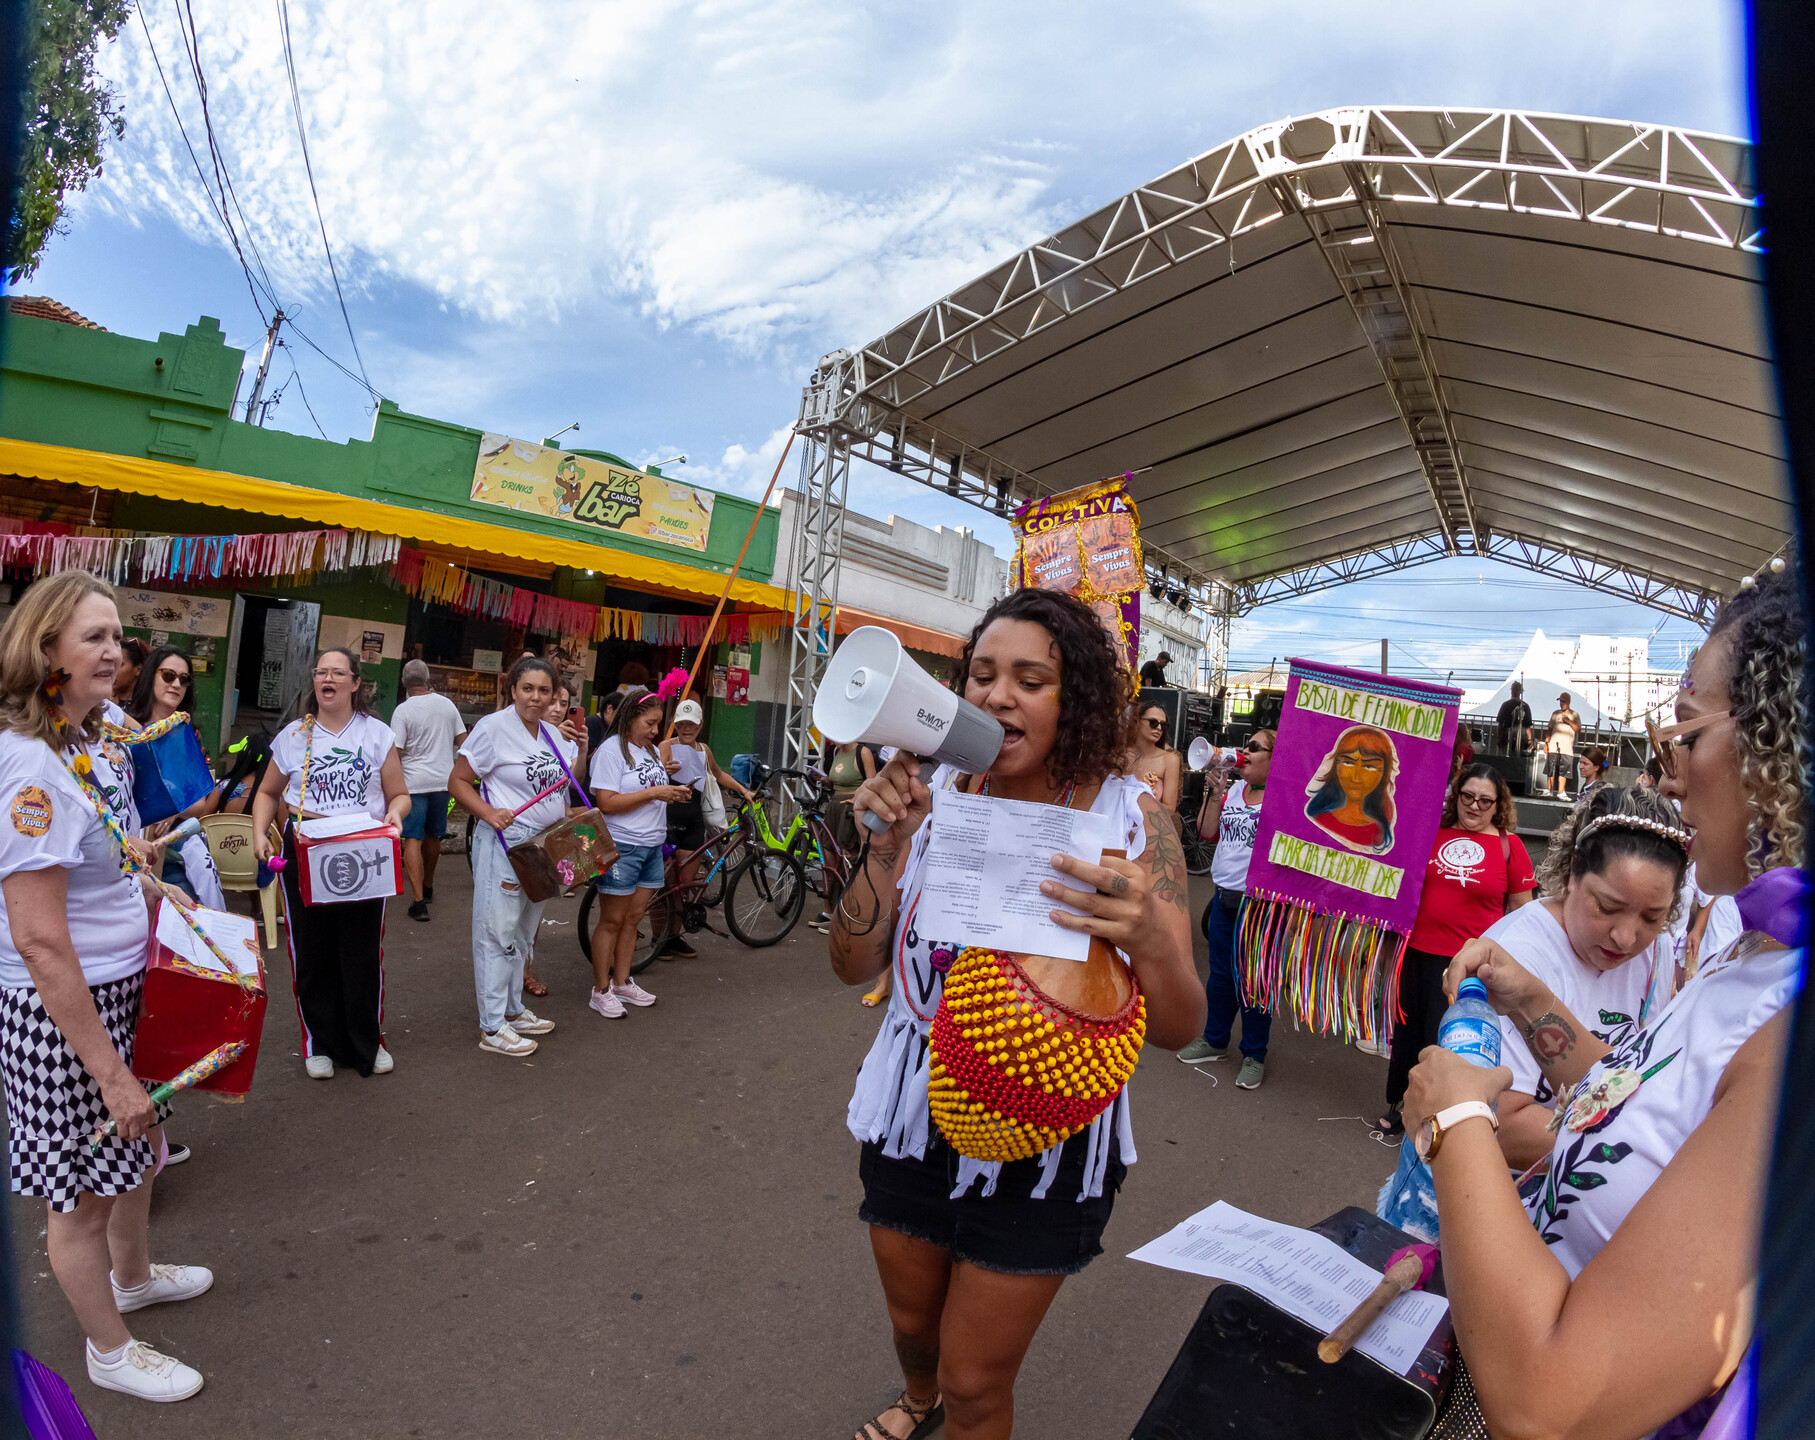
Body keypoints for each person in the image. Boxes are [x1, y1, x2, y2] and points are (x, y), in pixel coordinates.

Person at [1402, 564, 1806, 1439]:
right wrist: (1523, 997)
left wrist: (1455, 1124)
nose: (1666, 778)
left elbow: (1550, 1402)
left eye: (1684, 734)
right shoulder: (1760, 953)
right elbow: (1636, 1107)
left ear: (1777, 749)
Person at [831, 586, 1199, 1440]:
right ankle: (914, 1397)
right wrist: (883, 848)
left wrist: (1146, 935)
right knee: (916, 1330)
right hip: (911, 1110)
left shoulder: (1132, 819)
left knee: (975, 1379)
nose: (998, 695)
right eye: (983, 674)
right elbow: (852, 965)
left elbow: (1181, 1025)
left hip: (1045, 1132)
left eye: (1030, 679)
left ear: (1078, 702)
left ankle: (945, 1403)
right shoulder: (931, 797)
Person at [0, 572, 211, 1400]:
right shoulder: (30, 769)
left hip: (124, 988)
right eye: (93, 636)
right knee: (81, 1196)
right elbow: (42, 942)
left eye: (116, 636)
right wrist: (113, 1073)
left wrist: (150, 883)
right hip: (63, 1020)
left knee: (141, 1151)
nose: (114, 651)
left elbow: (105, 859)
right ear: (43, 649)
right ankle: (109, 1351)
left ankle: (134, 1277)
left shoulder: (80, 740)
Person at [1469, 785, 1687, 1170]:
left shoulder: (1656, 951)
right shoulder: (1516, 956)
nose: (1626, 937)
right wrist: (1640, 1145)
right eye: (1607, 906)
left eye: (1653, 917)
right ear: (1573, 873)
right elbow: (1501, 1125)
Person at [252, 648, 409, 1080]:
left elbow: (399, 793)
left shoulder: (376, 734)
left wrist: (395, 814)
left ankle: (367, 1041)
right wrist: (258, 833)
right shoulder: (293, 737)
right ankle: (318, 1043)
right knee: (312, 948)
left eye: (338, 672)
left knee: (361, 951)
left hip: (364, 852)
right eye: (322, 671)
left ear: (355, 684)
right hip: (306, 849)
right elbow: (267, 792)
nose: (329, 678)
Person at [1377, 762, 1534, 1136]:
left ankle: (1443, 1116)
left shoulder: (1509, 847)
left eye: (1485, 800)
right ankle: (1402, 1103)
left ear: (1499, 805)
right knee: (1409, 1034)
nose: (1475, 806)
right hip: (1416, 953)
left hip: (1468, 968)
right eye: (1468, 796)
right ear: (1456, 796)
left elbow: (1525, 914)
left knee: (1447, 1040)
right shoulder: (1432, 834)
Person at [446, 657, 576, 1057]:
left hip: (544, 845)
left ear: (555, 695)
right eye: (527, 689)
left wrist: (580, 749)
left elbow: (566, 785)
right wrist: (487, 813)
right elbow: (458, 781)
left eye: (544, 690)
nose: (536, 698)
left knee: (522, 932)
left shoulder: (551, 733)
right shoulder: (492, 728)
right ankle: (492, 1026)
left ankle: (514, 1009)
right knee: (495, 933)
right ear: (512, 689)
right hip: (507, 843)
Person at [1178, 732, 1274, 1088]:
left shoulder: (1282, 798)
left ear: (1273, 759)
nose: (1245, 752)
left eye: (1254, 748)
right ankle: (1215, 1040)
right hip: (1224, 898)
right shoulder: (1234, 792)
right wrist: (1215, 792)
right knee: (1220, 976)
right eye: (1245, 746)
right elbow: (1206, 831)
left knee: (1254, 981)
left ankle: (1254, 1054)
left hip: (1260, 906)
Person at [587, 687, 691, 1018]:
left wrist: (666, 782)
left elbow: (645, 788)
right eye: (650, 723)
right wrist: (655, 791)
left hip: (651, 845)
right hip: (623, 846)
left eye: (658, 724)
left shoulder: (646, 750)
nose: (655, 731)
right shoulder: (610, 752)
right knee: (612, 919)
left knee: (634, 918)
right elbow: (606, 803)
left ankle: (622, 982)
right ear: (630, 718)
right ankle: (600, 990)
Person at [123, 646, 226, 911]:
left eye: (184, 679)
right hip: (124, 840)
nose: (177, 684)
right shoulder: (123, 727)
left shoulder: (186, 735)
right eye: (169, 675)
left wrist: (171, 809)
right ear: (150, 676)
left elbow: (199, 803)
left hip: (170, 845)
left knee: (187, 910)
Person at [656, 698, 751, 959]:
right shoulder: (666, 746)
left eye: (693, 725)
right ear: (675, 724)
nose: (687, 729)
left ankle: (673, 938)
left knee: (684, 886)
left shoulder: (704, 750)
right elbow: (650, 776)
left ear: (700, 726)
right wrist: (664, 770)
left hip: (694, 820)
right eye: (682, 724)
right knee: (664, 883)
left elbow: (719, 775)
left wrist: (744, 790)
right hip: (667, 818)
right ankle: (658, 939)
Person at [387, 660, 466, 923]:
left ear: (404, 683)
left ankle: (419, 901)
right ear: (428, 679)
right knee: (434, 837)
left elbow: (395, 751)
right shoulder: (447, 705)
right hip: (444, 782)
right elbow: (464, 743)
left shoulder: (402, 711)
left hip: (414, 784)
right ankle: (429, 885)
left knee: (413, 839)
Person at [1304, 724, 1398, 854]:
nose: (1356, 777)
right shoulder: (1317, 814)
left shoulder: (1379, 829)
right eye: (1348, 763)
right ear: (1335, 766)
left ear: (1383, 773)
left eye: (1369, 766)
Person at [1127, 701, 1181, 810]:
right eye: (1153, 722)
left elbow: (1170, 809)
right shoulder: (1120, 755)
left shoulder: (1170, 760)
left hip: (1149, 824)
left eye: (1163, 725)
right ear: (1137, 721)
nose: (1159, 728)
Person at [1542, 691, 1580, 797]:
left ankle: (1561, 792)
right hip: (1554, 745)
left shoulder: (1574, 714)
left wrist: (1569, 722)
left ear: (1568, 702)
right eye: (1560, 701)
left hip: (1567, 747)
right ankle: (1548, 790)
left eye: (1563, 701)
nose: (1561, 703)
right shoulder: (1555, 713)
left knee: (1564, 770)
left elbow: (1578, 729)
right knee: (1550, 768)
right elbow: (1549, 729)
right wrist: (1546, 743)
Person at [1494, 681, 1533, 756]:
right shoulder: (1506, 705)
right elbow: (1500, 723)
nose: (1514, 691)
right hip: (1507, 737)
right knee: (1507, 757)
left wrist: (1529, 740)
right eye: (1513, 689)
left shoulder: (1524, 706)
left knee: (1517, 757)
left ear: (1520, 692)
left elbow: (1528, 725)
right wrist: (1499, 737)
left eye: (1517, 689)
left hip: (1520, 738)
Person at [110, 636, 147, 709]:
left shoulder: (144, 711)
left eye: (120, 664)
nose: (112, 670)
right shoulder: (104, 705)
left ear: (138, 670)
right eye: (111, 663)